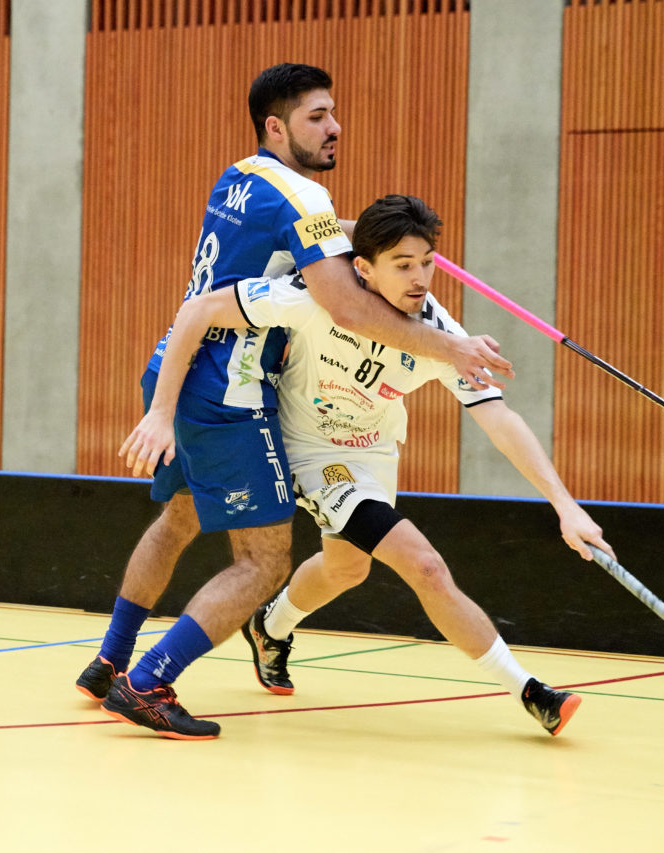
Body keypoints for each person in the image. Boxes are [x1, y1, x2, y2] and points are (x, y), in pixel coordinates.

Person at [75, 64, 512, 740]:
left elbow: (304, 239)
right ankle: (148, 681)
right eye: (317, 116)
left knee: (178, 520)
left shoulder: (240, 176)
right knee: (263, 562)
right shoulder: (304, 193)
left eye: (334, 114)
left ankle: (108, 658)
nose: (334, 127)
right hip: (228, 390)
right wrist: (445, 346)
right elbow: (344, 304)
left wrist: (368, 231)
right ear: (276, 126)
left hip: (176, 363)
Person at [136, 194, 616, 736]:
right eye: (403, 265)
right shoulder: (314, 296)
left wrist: (565, 505)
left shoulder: (442, 337)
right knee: (425, 565)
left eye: (427, 262)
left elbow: (498, 418)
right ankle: (529, 690)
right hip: (313, 453)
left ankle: (271, 626)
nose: (420, 278)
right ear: (362, 268)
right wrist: (160, 410)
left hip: (374, 456)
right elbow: (201, 309)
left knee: (347, 568)